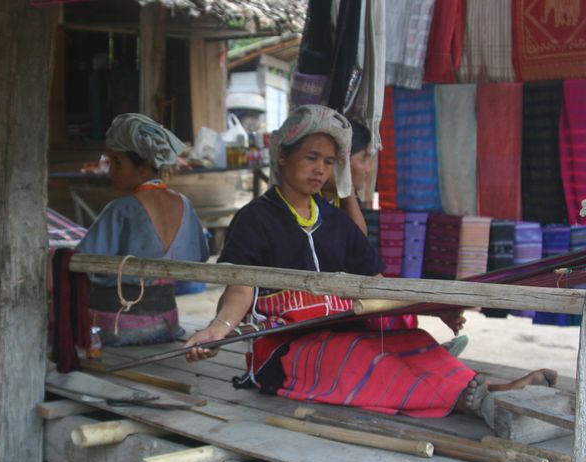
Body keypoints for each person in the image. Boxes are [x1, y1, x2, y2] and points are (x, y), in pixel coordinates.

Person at [185, 104, 554, 422]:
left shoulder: (335, 222)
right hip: (280, 351)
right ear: (283, 155)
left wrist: (435, 308)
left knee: (414, 339)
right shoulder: (255, 219)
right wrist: (219, 329)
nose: (320, 170)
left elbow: (377, 284)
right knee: (362, 354)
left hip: (339, 331)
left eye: (328, 162)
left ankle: (493, 390)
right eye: (311, 158)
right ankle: (462, 403)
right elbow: (239, 289)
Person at [77, 113, 209, 346]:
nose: (111, 172)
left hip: (116, 328)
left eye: (117, 163)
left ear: (145, 167)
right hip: (167, 324)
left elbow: (81, 262)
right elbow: (200, 256)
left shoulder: (122, 209)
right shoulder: (184, 205)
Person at [320, 119, 371, 235]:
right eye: (363, 160)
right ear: (341, 162)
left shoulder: (339, 199)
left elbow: (361, 245)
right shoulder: (310, 204)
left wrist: (347, 189)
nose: (368, 169)